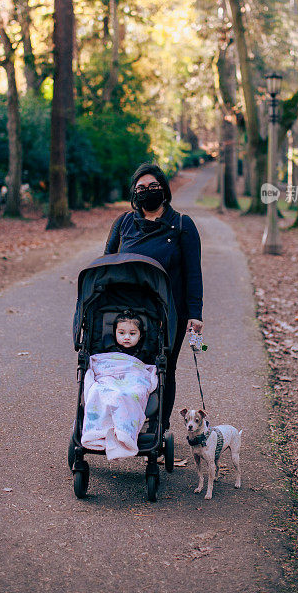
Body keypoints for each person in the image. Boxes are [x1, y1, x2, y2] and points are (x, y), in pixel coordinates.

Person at [104, 162, 204, 431]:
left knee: (163, 368)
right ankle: (126, 420)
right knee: (128, 366)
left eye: (153, 187)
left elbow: (193, 272)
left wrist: (195, 314)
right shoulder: (124, 223)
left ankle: (158, 425)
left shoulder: (182, 225)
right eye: (140, 188)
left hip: (168, 311)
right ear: (134, 194)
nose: (147, 192)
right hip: (127, 311)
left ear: (164, 190)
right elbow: (107, 264)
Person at [81, 311, 157, 459]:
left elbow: (144, 371)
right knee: (98, 389)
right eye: (121, 333)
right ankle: (98, 431)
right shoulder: (106, 346)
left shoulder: (145, 350)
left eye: (132, 333)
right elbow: (97, 362)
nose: (126, 337)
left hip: (133, 376)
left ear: (140, 335)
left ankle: (124, 432)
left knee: (128, 394)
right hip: (109, 374)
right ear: (114, 332)